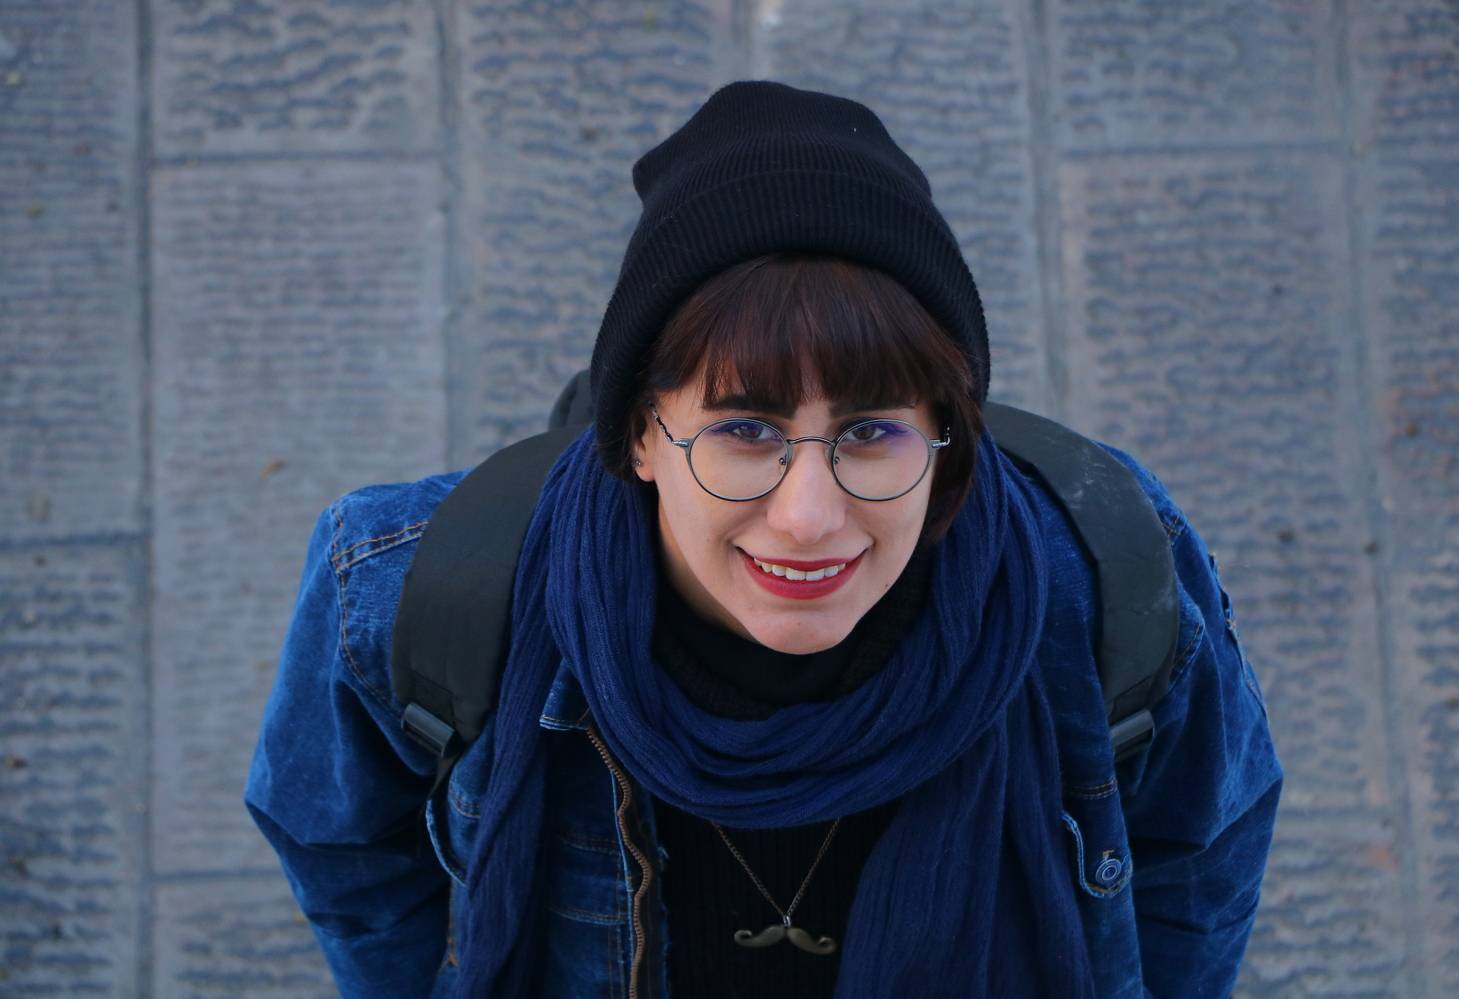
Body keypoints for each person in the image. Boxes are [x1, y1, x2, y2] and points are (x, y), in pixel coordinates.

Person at [246, 80, 1282, 998]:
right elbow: (341, 848)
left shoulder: (1102, 581)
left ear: (948, 437)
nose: (809, 516)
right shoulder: (402, 588)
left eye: (870, 432)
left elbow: (1202, 860)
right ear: (639, 434)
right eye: (745, 431)